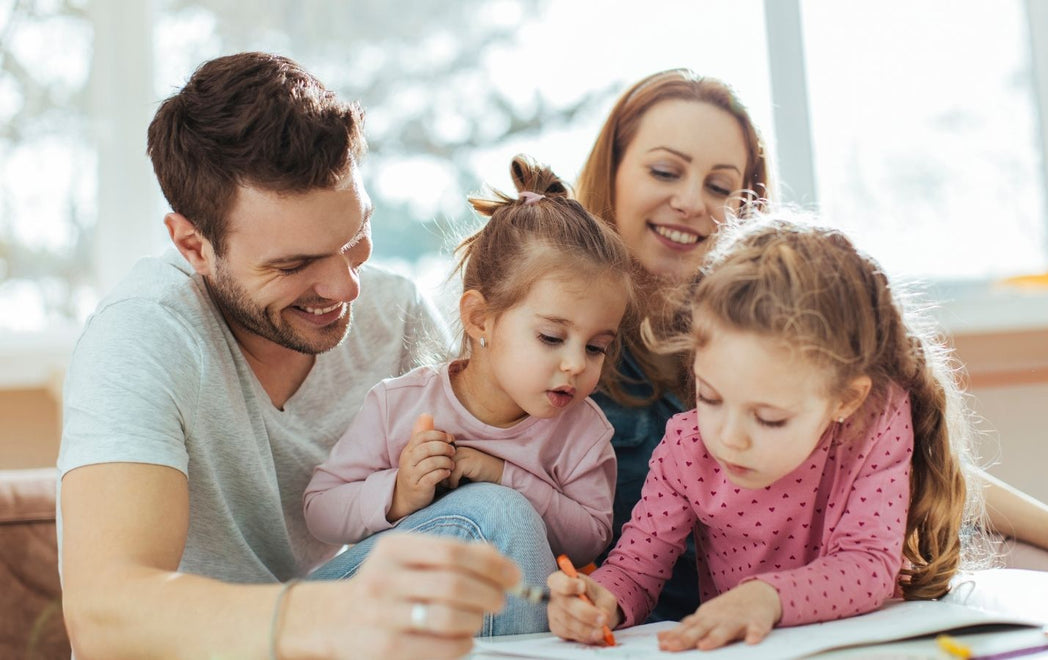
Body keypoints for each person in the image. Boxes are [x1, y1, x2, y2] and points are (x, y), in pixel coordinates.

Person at [576, 69, 1048, 623]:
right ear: (611, 173)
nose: (688, 201)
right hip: (688, 614)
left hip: (826, 603)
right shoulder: (566, 342)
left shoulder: (805, 341)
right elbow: (631, 565)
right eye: (664, 170)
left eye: (719, 185)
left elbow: (923, 466)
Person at [56, 52, 531, 659]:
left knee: (493, 515)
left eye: (354, 237)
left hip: (326, 629)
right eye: (293, 265)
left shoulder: (394, 312)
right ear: (193, 245)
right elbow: (105, 619)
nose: (345, 288)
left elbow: (504, 487)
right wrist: (331, 616)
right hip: (207, 646)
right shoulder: (142, 336)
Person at [547, 213, 980, 650]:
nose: (729, 437)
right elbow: (636, 570)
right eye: (710, 398)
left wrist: (765, 597)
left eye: (769, 418)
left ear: (845, 400)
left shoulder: (873, 424)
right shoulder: (687, 445)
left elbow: (868, 564)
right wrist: (600, 600)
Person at [302, 155, 634, 632]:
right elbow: (320, 512)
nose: (576, 364)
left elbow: (589, 541)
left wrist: (502, 475)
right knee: (492, 515)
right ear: (480, 319)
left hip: (484, 624)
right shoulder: (401, 403)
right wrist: (399, 493)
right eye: (551, 337)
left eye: (597, 346)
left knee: (502, 512)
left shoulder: (582, 430)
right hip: (376, 613)